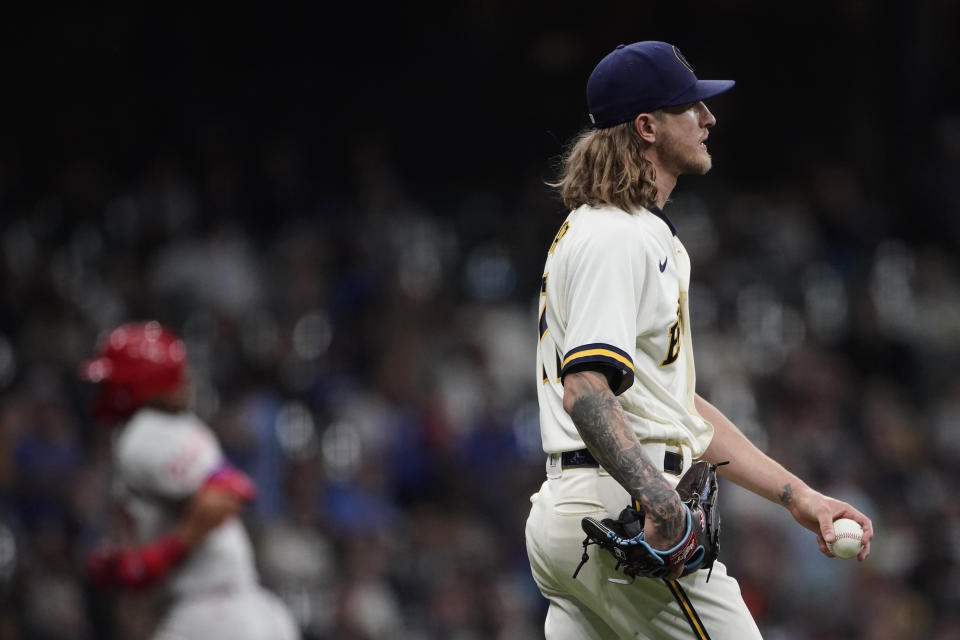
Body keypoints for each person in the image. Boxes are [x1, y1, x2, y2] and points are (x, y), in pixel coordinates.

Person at [524, 41, 874, 639]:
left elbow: (679, 412)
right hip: (619, 511)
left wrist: (797, 496)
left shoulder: (630, 232)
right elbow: (584, 390)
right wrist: (660, 502)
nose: (708, 119)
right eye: (690, 107)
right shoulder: (614, 236)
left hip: (583, 513)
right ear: (647, 128)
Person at [79, 321, 300, 640]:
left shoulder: (143, 433)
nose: (102, 390)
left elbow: (226, 492)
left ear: (137, 381)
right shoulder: (176, 427)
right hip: (249, 611)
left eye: (112, 379)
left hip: (213, 616)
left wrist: (163, 553)